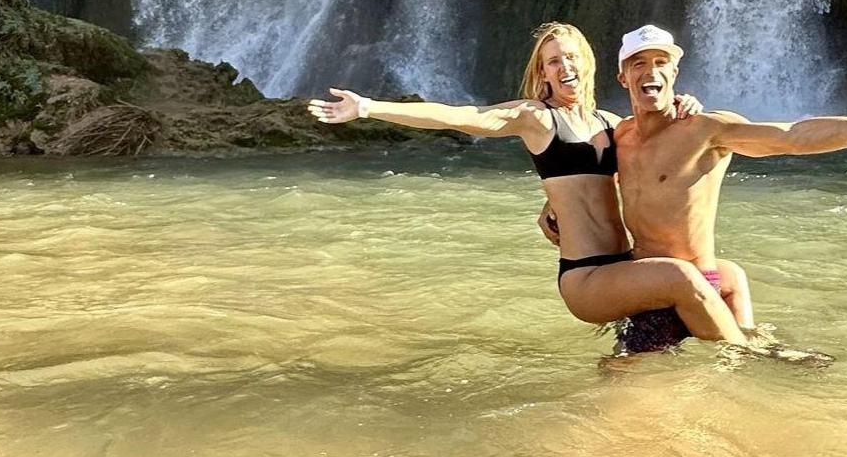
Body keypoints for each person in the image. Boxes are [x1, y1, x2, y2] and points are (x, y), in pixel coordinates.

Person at [307, 21, 750, 346]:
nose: (564, 66)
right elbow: (462, 116)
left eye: (571, 57)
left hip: (625, 267)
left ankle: (725, 342)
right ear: (543, 73)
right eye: (553, 61)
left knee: (728, 275)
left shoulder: (613, 124)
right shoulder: (537, 118)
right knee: (680, 276)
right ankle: (746, 357)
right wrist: (368, 108)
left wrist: (685, 104)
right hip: (586, 276)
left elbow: (654, 159)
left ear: (588, 63)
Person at [550, 25, 847, 353]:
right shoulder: (618, 137)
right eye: (639, 63)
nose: (650, 72)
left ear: (674, 73)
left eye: (661, 62)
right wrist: (553, 210)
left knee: (738, 373)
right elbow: (582, 185)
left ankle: (758, 353)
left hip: (697, 286)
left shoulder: (706, 130)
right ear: (623, 77)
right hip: (648, 296)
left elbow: (793, 136)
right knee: (630, 399)